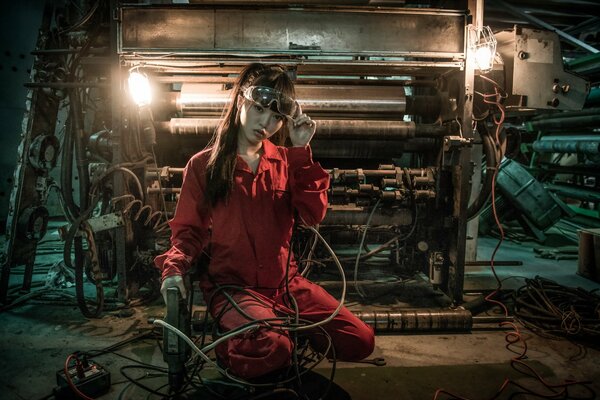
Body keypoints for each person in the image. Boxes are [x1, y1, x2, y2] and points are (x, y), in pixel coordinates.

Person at [154, 63, 374, 380]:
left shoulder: (287, 160)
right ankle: (248, 341)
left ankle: (275, 331)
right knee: (272, 348)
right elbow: (188, 231)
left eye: (276, 117)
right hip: (234, 288)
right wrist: (173, 270)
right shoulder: (203, 166)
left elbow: (313, 216)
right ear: (240, 102)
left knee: (359, 340)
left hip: (286, 286)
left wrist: (301, 150)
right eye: (259, 109)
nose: (266, 123)